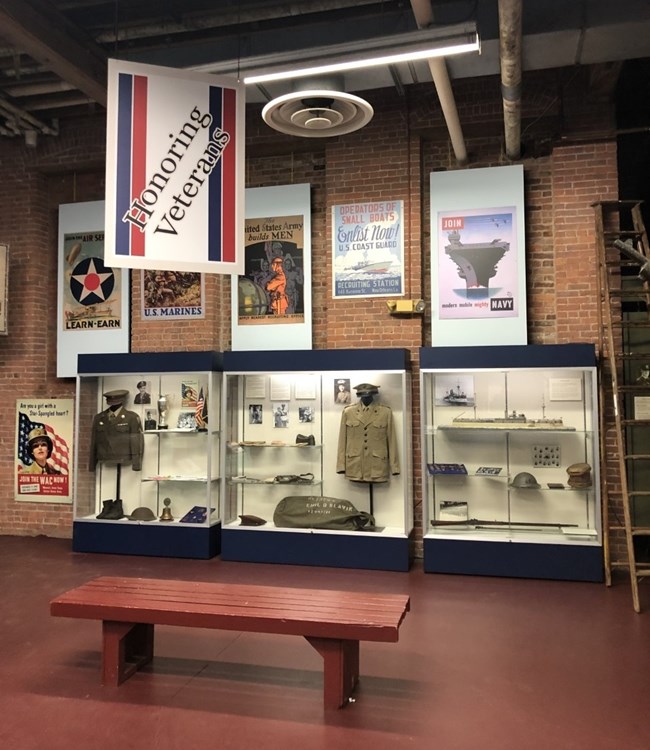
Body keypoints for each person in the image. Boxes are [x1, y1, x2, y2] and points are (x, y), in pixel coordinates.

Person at [336, 383, 400, 483]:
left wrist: (394, 467)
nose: (366, 398)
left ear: (373, 395)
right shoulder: (348, 412)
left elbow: (392, 441)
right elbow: (342, 441)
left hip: (377, 467)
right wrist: (341, 466)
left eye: (368, 396)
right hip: (355, 467)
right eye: (363, 396)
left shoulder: (385, 412)